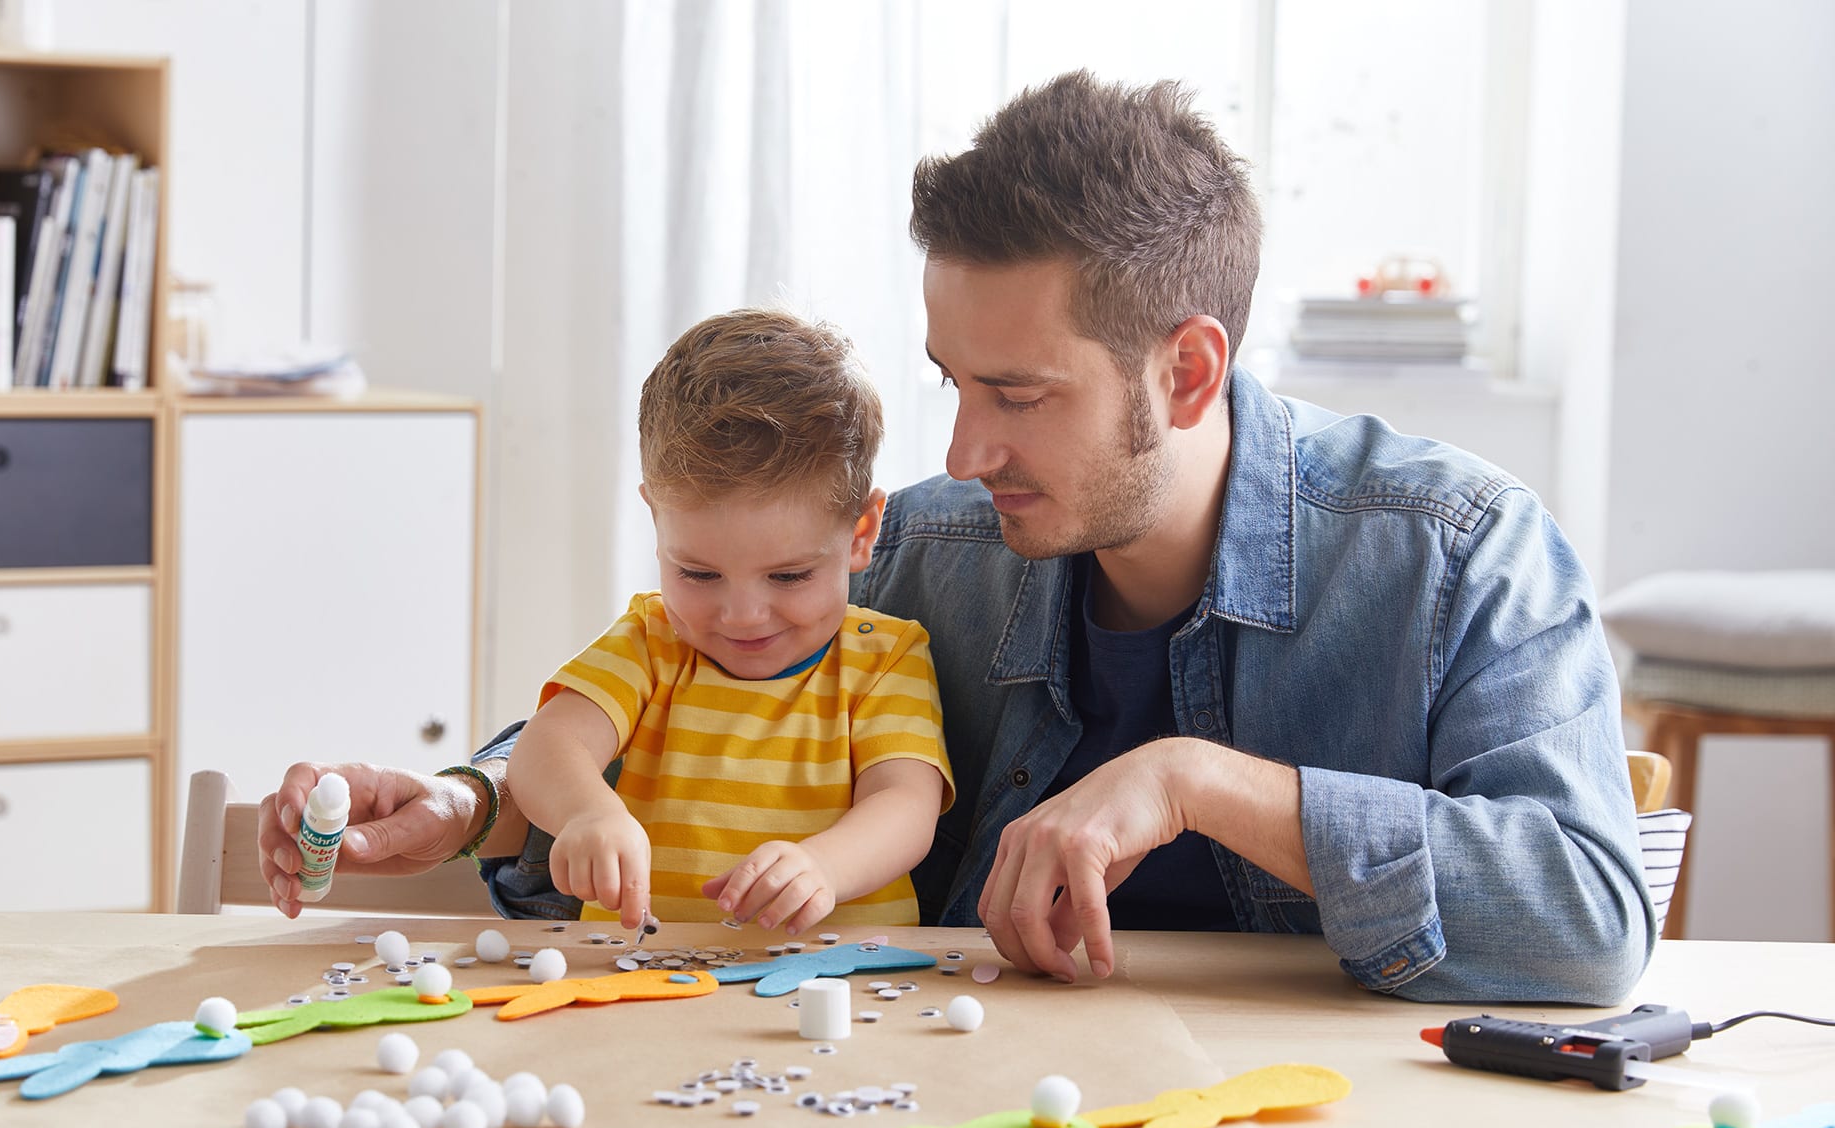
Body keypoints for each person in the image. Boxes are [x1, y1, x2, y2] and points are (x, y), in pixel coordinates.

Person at [259, 72, 1650, 1005]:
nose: (962, 452)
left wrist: (1195, 782)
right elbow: (669, 706)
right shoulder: (935, 545)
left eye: (1019, 395)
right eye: (952, 380)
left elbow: (1587, 922)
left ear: (1185, 373)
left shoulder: (1458, 554)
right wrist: (466, 801)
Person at [261, 308, 954, 936]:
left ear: (862, 531)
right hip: (641, 983)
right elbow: (546, 750)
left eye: (790, 576)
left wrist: (824, 867)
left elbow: (906, 806)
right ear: (656, 519)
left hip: (841, 982)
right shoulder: (652, 642)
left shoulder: (886, 657)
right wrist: (589, 813)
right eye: (699, 574)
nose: (742, 615)